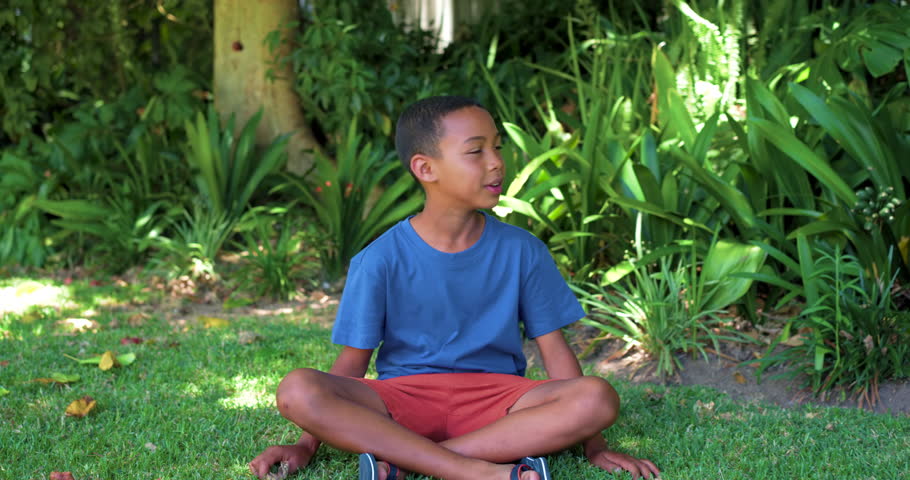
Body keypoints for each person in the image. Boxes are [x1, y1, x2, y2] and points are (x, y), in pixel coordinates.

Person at [249, 96, 660, 480]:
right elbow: (352, 364)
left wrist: (595, 446)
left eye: (498, 147)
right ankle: (480, 470)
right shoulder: (378, 260)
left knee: (598, 398)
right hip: (401, 400)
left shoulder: (524, 251)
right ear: (425, 168)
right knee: (298, 389)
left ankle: (405, 462)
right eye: (476, 151)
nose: (496, 163)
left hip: (500, 402)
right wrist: (306, 443)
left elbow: (555, 352)